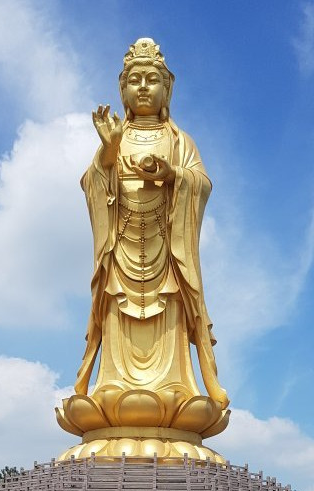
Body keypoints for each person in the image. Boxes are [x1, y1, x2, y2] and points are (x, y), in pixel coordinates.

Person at [57, 38, 229, 460]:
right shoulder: (114, 139)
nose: (144, 87)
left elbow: (201, 185)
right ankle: (113, 388)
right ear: (123, 90)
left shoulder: (180, 140)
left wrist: (172, 175)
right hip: (120, 256)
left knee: (173, 348)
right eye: (135, 80)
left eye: (153, 79)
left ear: (167, 90)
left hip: (167, 259)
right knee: (114, 330)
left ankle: (172, 389)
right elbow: (92, 184)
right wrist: (109, 151)